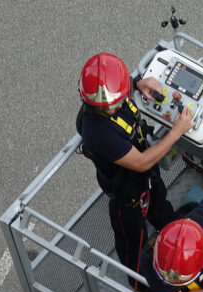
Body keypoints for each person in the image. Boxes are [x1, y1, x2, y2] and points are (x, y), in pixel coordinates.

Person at [77, 52, 195, 273]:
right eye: (104, 107)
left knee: (163, 212)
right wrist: (176, 132)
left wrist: (138, 84)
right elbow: (140, 162)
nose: (110, 109)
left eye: (116, 102)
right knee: (133, 243)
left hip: (148, 180)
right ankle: (137, 278)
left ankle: (172, 238)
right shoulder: (96, 131)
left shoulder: (114, 93)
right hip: (128, 197)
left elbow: (119, 91)